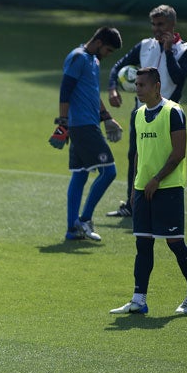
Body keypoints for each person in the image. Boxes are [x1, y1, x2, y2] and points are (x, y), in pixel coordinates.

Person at [110, 67, 187, 315]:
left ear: (156, 86)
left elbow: (179, 152)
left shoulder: (174, 112)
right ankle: (138, 300)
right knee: (143, 244)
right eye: (136, 85)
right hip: (143, 189)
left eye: (142, 85)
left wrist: (157, 179)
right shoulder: (138, 114)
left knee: (174, 243)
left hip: (168, 188)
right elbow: (140, 152)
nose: (137, 89)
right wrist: (136, 187)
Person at [106, 4, 187, 217]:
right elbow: (118, 66)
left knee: (165, 159)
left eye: (160, 24)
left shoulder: (185, 50)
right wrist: (112, 88)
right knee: (135, 156)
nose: (156, 29)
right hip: (141, 114)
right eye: (153, 24)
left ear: (172, 25)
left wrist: (168, 51)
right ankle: (132, 204)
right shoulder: (144, 45)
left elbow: (178, 78)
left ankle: (160, 205)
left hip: (167, 117)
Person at [49, 27, 124, 241]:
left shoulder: (93, 61)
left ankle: (72, 230)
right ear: (99, 42)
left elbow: (91, 93)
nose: (108, 55)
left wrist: (107, 117)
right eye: (108, 50)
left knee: (80, 174)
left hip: (89, 124)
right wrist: (63, 123)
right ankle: (84, 219)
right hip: (82, 127)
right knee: (109, 172)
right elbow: (66, 90)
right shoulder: (78, 58)